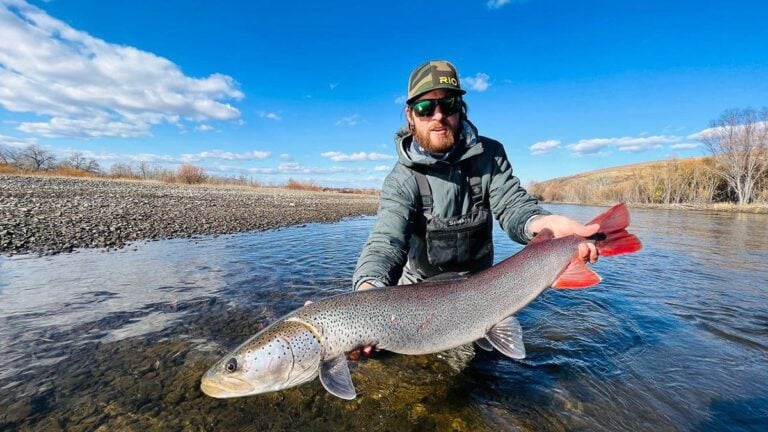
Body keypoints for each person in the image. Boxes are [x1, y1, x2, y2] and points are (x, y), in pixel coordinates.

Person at [352, 60, 598, 293]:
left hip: (481, 290)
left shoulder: (489, 154)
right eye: (425, 108)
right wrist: (366, 289)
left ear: (460, 110)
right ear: (410, 115)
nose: (438, 116)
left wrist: (543, 224)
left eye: (448, 105)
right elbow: (386, 241)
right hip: (419, 291)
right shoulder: (402, 179)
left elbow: (513, 206)